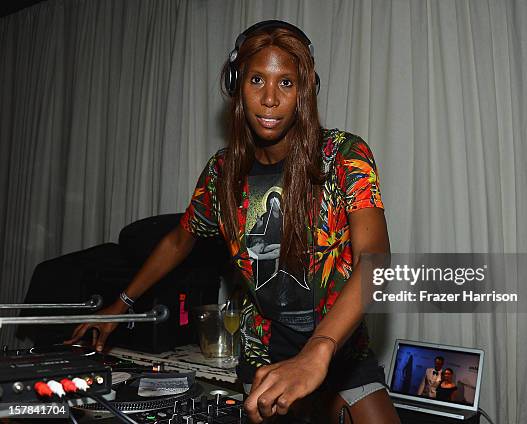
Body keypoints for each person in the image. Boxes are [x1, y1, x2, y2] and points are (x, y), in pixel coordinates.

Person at [67, 20, 399, 423]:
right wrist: (120, 307)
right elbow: (179, 240)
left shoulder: (343, 155)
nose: (271, 98)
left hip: (340, 348)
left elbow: (376, 259)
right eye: (257, 79)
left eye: (287, 83)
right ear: (236, 85)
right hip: (264, 352)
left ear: (306, 91)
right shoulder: (222, 174)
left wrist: (319, 349)